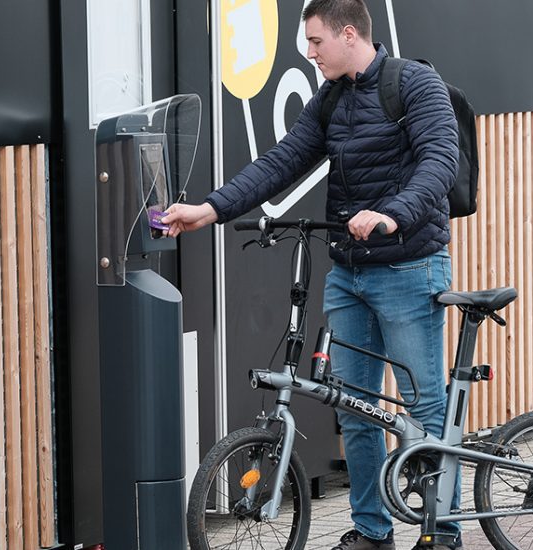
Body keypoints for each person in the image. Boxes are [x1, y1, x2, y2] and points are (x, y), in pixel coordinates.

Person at [162, 0, 461, 548]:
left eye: (316, 42)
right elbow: (280, 162)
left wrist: (394, 212)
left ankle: (441, 530)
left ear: (350, 34)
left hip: (410, 265)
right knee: (354, 406)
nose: (310, 52)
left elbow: (441, 160)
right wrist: (210, 210)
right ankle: (372, 531)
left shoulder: (415, 84)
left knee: (423, 403)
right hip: (349, 271)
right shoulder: (330, 101)